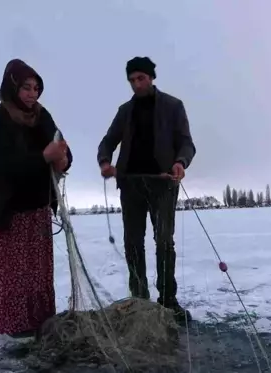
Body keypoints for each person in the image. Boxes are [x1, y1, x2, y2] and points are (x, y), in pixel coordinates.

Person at [0, 59, 72, 338]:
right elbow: (0, 165)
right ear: (12, 86)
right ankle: (11, 322)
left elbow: (60, 146)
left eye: (36, 88)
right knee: (10, 273)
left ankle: (37, 319)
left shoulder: (42, 117)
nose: (32, 94)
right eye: (26, 87)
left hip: (35, 207)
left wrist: (63, 159)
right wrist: (43, 157)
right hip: (5, 208)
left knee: (36, 272)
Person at [97, 56, 196, 323]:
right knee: (133, 242)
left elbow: (187, 144)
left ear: (151, 77)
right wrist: (105, 162)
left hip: (163, 185)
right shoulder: (124, 111)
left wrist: (179, 162)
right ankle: (139, 298)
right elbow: (107, 142)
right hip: (130, 186)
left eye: (140, 78)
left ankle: (168, 300)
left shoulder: (173, 106)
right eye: (131, 80)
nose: (136, 84)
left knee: (164, 241)